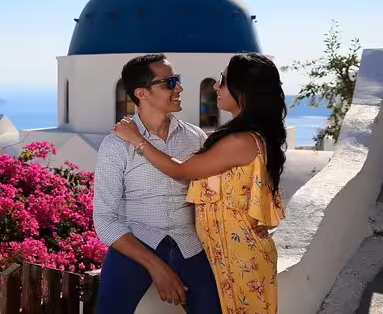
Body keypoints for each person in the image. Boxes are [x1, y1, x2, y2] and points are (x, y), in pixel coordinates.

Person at [111, 53, 286, 314]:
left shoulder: (240, 142)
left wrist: (137, 140)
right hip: (225, 254)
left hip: (240, 256)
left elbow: (180, 171)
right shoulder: (229, 137)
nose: (216, 86)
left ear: (245, 91)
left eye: (224, 81)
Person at [93, 54, 224, 313]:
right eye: (169, 82)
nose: (179, 88)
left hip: (190, 245)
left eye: (178, 80)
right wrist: (156, 267)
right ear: (142, 93)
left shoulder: (195, 137)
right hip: (136, 245)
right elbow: (104, 219)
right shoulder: (115, 145)